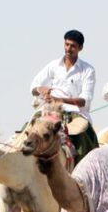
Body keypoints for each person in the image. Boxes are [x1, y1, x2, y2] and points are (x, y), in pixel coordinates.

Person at [29, 29, 98, 159]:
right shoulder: (53, 65)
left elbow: (85, 100)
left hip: (74, 114)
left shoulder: (88, 70)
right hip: (49, 110)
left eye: (73, 46)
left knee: (83, 139)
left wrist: (60, 100)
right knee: (28, 132)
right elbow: (33, 86)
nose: (68, 48)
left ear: (80, 48)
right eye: (66, 44)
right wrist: (40, 89)